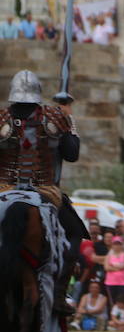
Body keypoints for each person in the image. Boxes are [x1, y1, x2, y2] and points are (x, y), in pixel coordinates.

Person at [0, 70, 86, 319]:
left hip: (4, 188)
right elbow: (71, 154)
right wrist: (69, 122)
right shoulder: (54, 116)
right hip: (44, 189)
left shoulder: (2, 118)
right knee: (75, 233)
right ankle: (59, 296)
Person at [104, 237, 124, 305]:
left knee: (122, 300)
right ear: (112, 245)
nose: (117, 246)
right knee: (112, 300)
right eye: (115, 244)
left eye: (119, 244)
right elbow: (106, 267)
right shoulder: (108, 255)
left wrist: (113, 266)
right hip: (110, 282)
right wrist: (119, 268)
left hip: (123, 282)